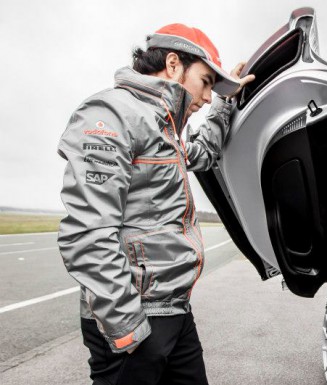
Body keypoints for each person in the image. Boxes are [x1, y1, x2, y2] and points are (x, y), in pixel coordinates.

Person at [57, 23, 254, 385]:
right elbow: (89, 233)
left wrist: (227, 102)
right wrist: (127, 329)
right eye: (207, 82)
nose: (208, 96)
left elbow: (206, 151)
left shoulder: (168, 132)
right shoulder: (113, 113)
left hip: (176, 311)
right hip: (135, 320)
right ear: (174, 63)